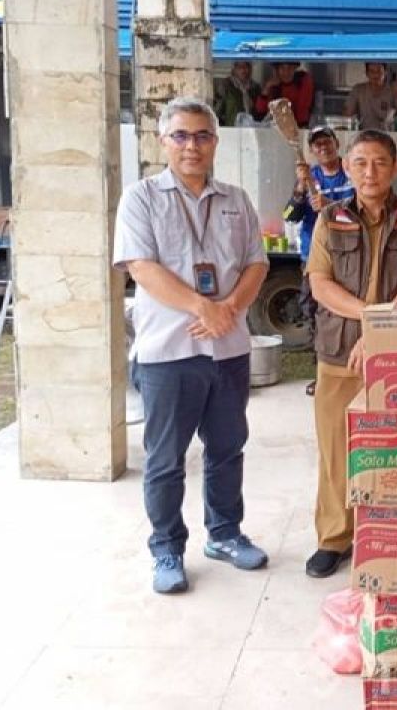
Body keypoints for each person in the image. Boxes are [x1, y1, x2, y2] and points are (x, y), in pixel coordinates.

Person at [113, 96, 271, 595]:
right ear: (162, 141)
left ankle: (224, 534)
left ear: (215, 142)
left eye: (202, 135)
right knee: (165, 459)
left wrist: (229, 309)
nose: (192, 146)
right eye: (180, 135)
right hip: (168, 353)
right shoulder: (141, 198)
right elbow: (141, 267)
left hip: (228, 349)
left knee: (227, 448)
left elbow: (256, 263)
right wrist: (203, 308)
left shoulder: (236, 199)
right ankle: (166, 549)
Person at [304, 129, 397, 578]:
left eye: (380, 162)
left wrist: (383, 333)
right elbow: (320, 284)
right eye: (360, 162)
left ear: (396, 167)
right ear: (346, 167)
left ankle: (395, 534)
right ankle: (334, 537)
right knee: (336, 450)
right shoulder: (330, 219)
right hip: (341, 352)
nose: (370, 171)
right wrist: (371, 320)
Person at [281, 126, 355, 395]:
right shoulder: (308, 176)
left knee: (346, 312)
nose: (323, 147)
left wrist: (330, 205)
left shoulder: (351, 172)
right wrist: (301, 190)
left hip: (348, 256)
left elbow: (363, 210)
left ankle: (352, 369)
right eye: (317, 144)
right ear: (312, 150)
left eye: (327, 142)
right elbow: (289, 215)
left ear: (337, 144)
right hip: (313, 258)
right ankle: (321, 373)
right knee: (314, 314)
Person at [345, 62, 397, 131]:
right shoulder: (358, 89)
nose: (375, 75)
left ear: (385, 72)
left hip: (387, 135)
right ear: (367, 73)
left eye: (379, 71)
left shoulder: (393, 90)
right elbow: (347, 114)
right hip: (364, 135)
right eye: (372, 71)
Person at [256, 61, 315, 127]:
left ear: (295, 68)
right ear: (277, 70)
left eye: (289, 68)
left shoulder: (303, 81)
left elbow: (302, 113)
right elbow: (259, 114)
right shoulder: (273, 87)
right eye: (282, 68)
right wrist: (266, 89)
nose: (286, 72)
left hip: (297, 129)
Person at [214, 60, 262, 127]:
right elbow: (217, 111)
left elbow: (259, 112)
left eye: (246, 66)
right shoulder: (226, 85)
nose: (243, 70)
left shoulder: (255, 87)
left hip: (251, 129)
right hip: (232, 130)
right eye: (239, 67)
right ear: (234, 69)